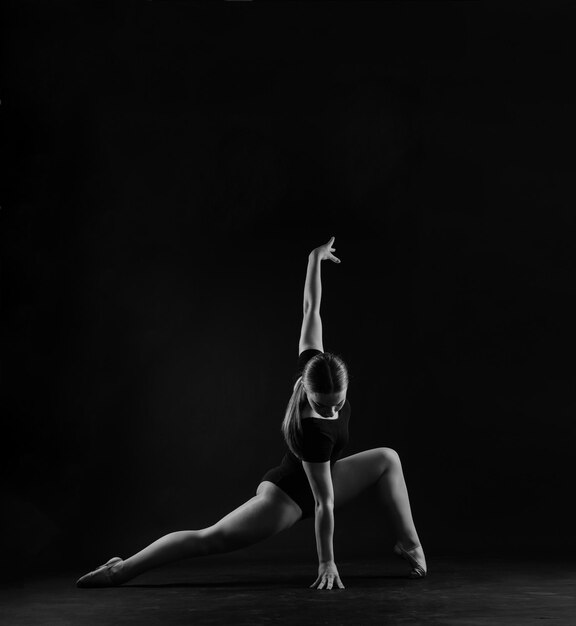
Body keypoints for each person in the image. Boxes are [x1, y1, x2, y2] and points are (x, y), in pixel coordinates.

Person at [76, 237, 427, 591]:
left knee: (388, 459)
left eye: (339, 401)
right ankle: (121, 569)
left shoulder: (314, 367)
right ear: (307, 392)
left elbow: (311, 309)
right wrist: (327, 561)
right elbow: (323, 503)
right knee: (208, 539)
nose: (333, 409)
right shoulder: (313, 431)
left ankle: (409, 544)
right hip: (287, 498)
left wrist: (314, 259)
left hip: (325, 478)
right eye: (323, 405)